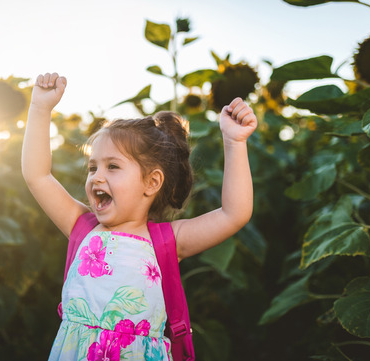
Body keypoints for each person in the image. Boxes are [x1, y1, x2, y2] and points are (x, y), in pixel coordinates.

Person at [22, 72, 257, 360]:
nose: (97, 177)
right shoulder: (82, 227)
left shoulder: (166, 241)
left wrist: (234, 142)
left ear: (151, 182)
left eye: (113, 167)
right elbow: (38, 176)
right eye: (93, 167)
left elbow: (235, 214)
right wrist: (40, 108)